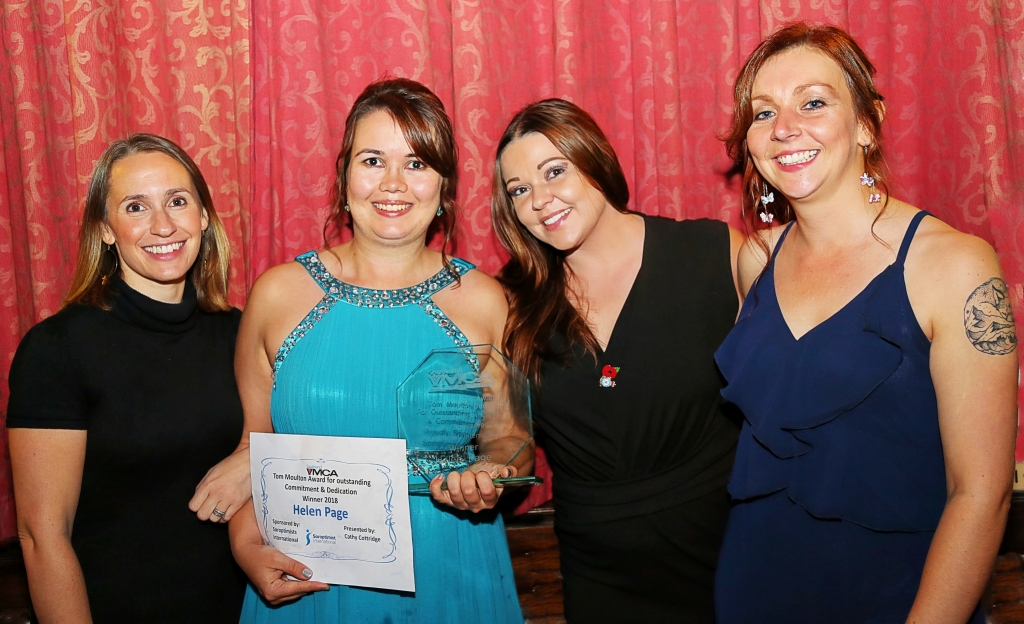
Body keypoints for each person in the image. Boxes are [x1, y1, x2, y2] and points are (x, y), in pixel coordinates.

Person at [713, 23, 1017, 623]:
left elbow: (982, 493)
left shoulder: (954, 264)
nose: (785, 128)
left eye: (814, 102)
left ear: (866, 122)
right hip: (755, 588)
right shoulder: (758, 259)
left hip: (900, 596)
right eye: (763, 112)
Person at [229, 77, 527, 623]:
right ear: (344, 178)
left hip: (451, 567)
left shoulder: (485, 300)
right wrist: (243, 542)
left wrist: (493, 475)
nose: (394, 183)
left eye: (417, 164)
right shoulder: (277, 295)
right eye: (373, 160)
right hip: (310, 576)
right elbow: (254, 449)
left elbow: (511, 439)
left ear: (444, 187)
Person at [491, 99, 744, 623]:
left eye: (554, 171)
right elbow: (508, 444)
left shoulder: (712, 254)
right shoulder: (512, 302)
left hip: (727, 551)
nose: (540, 200)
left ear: (595, 159)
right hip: (598, 572)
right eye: (519, 191)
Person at [7, 133, 250, 622]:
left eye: (177, 202)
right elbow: (42, 536)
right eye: (136, 207)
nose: (163, 226)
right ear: (105, 229)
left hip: (241, 608)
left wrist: (253, 457)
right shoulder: (58, 348)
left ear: (203, 217)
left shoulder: (239, 332)